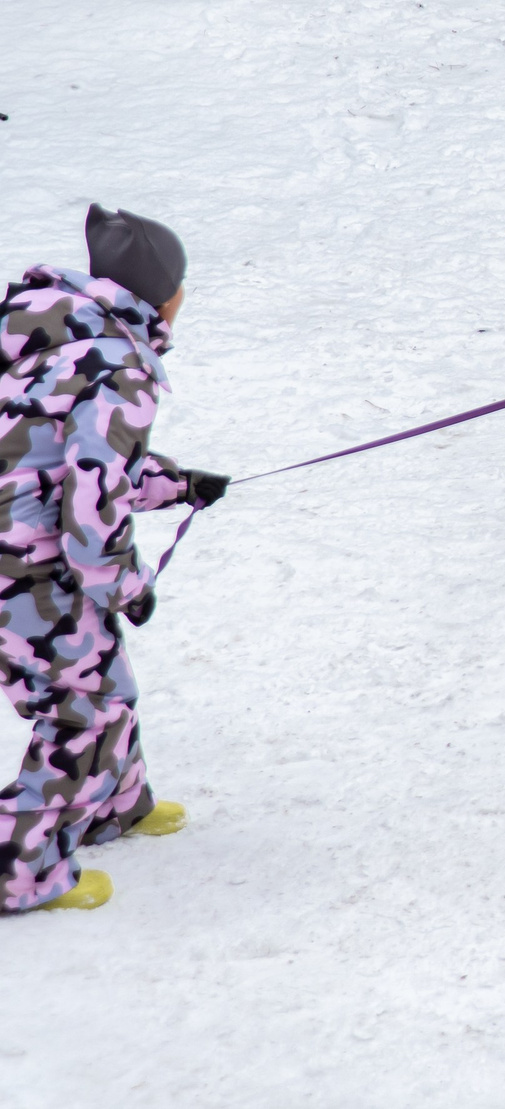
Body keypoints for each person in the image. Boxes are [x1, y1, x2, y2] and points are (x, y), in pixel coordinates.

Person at [2, 205, 227, 915]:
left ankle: (112, 805)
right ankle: (20, 870)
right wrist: (126, 586)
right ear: (167, 294)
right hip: (24, 568)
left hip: (18, 548)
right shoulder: (120, 365)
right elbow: (90, 511)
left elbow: (59, 457)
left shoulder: (60, 336)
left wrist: (177, 483)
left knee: (104, 683)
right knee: (80, 711)